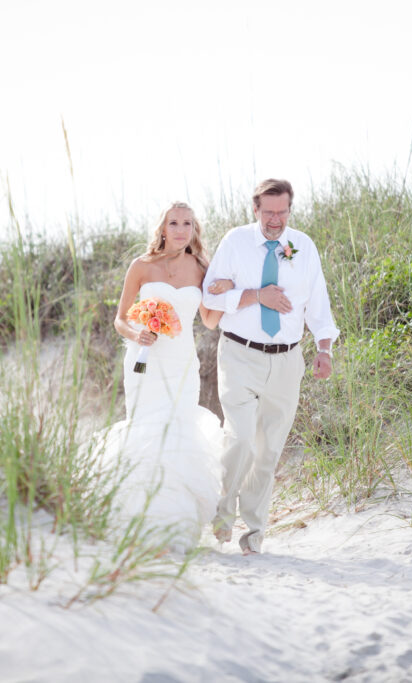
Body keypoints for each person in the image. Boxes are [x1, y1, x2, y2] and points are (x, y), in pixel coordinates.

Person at [202, 179, 338, 555]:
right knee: (241, 438)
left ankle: (254, 532)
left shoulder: (303, 246)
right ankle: (222, 515)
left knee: (269, 450)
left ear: (289, 210)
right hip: (239, 354)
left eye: (282, 212)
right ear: (255, 210)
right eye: (268, 212)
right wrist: (255, 295)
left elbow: (319, 304)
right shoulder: (235, 242)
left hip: (287, 360)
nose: (275, 220)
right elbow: (209, 293)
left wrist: (324, 349)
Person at [101, 201, 233, 551]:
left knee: (177, 432)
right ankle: (141, 523)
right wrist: (136, 334)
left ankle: (175, 527)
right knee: (146, 431)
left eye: (186, 224)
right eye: (173, 223)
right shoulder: (141, 267)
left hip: (181, 364)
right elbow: (120, 319)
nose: (179, 229)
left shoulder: (202, 267)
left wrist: (224, 293)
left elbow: (208, 320)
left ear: (194, 230)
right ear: (162, 228)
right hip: (144, 360)